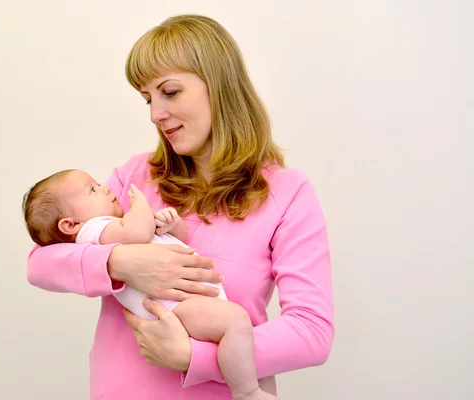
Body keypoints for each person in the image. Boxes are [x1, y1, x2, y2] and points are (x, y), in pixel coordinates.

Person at [26, 14, 334, 400]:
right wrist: (120, 263)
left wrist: (195, 357)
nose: (156, 114)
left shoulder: (288, 193)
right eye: (147, 99)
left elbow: (312, 331)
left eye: (170, 92)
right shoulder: (134, 178)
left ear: (219, 86)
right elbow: (40, 261)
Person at [22, 168, 278, 399]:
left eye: (98, 183)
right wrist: (140, 205)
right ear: (70, 225)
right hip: (173, 308)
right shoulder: (93, 229)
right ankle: (247, 393)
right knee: (236, 323)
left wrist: (171, 226)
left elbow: (168, 243)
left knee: (242, 338)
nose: (105, 188)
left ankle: (251, 387)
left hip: (181, 304)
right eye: (92, 190)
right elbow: (137, 233)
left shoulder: (109, 225)